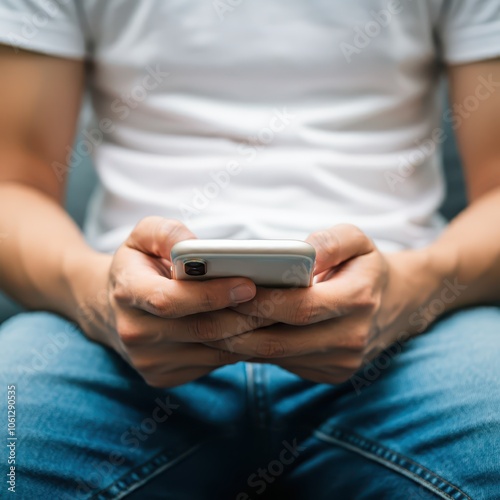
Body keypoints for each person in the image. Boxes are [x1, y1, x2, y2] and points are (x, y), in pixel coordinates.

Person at [0, 0, 499, 498]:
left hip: (414, 333)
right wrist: (95, 298)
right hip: (115, 338)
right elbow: (12, 187)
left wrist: (417, 288)